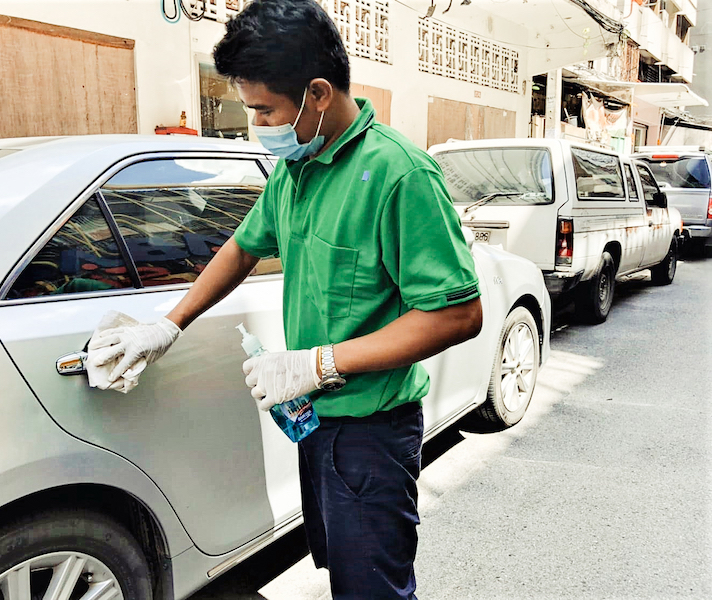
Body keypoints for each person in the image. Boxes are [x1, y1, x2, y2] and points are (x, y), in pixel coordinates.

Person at [89, 1, 482, 597]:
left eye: (265, 110)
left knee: (374, 588)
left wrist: (320, 362)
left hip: (372, 433)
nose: (257, 126)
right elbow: (243, 248)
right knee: (343, 573)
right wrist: (167, 325)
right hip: (317, 425)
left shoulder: (399, 174)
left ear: (318, 93)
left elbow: (458, 314)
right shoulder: (295, 171)